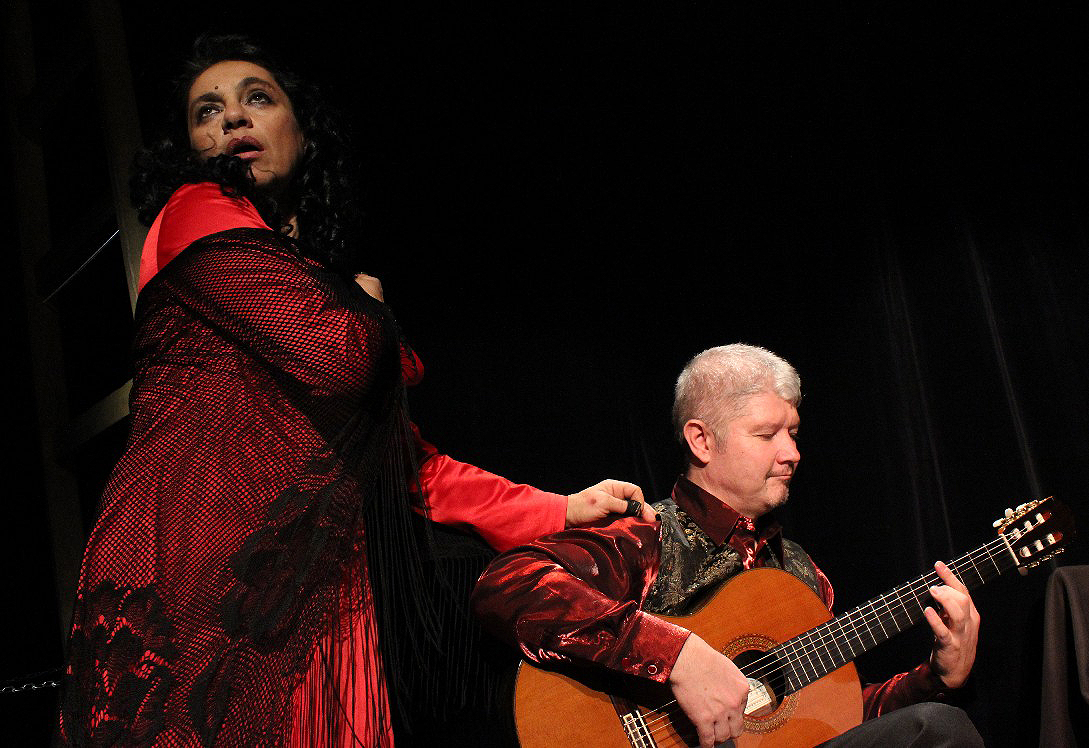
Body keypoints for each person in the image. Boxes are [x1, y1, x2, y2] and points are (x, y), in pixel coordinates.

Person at [57, 33, 651, 747]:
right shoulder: (197, 207)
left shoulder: (300, 273)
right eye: (206, 111)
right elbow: (343, 357)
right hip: (210, 564)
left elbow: (410, 465)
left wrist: (559, 507)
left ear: (304, 133)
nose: (233, 117)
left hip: (310, 587)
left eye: (257, 98)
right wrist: (368, 308)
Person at [472, 343, 984, 748]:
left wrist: (932, 679)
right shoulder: (648, 535)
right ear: (701, 441)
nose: (792, 453)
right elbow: (507, 584)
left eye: (793, 433)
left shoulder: (801, 572)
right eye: (766, 434)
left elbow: (834, 718)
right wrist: (677, 657)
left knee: (934, 726)